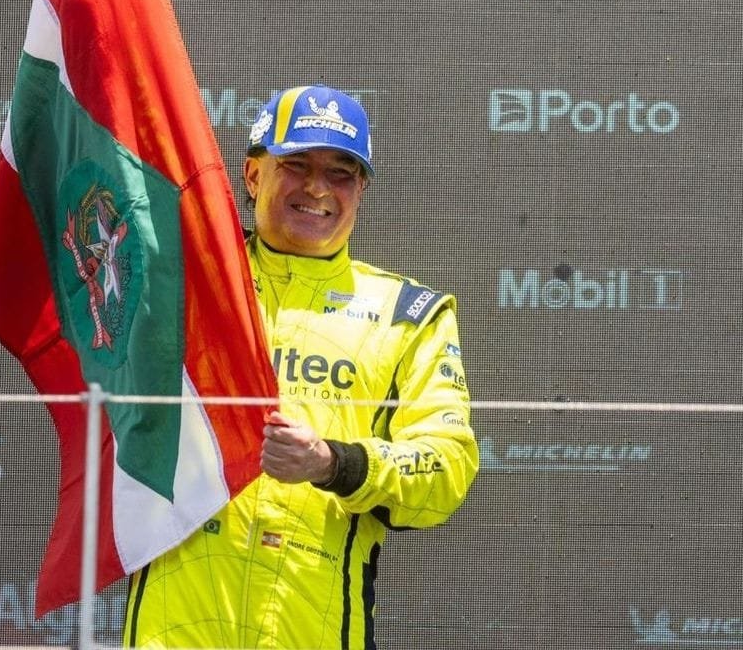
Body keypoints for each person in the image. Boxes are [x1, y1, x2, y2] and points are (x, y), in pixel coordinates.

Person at [122, 85, 480, 649]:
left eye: (341, 172)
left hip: (307, 627)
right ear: (252, 174)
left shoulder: (408, 315)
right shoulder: (180, 282)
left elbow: (446, 467)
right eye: (295, 164)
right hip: (172, 625)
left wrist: (333, 462)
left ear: (360, 189)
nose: (317, 187)